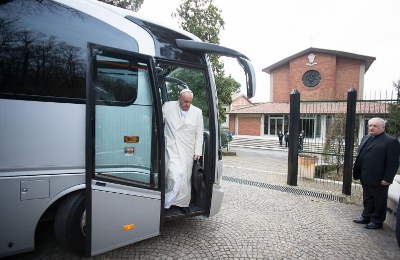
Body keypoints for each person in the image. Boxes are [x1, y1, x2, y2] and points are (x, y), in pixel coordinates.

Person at [352, 117, 400, 229]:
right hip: (365, 175)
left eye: (375, 126)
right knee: (367, 197)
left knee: (379, 200)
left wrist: (388, 178)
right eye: (370, 125)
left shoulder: (390, 141)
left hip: (379, 178)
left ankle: (377, 221)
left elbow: (393, 163)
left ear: (383, 127)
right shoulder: (366, 138)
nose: (372, 128)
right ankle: (366, 216)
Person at [163, 88, 204, 213]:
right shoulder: (168, 107)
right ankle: (167, 202)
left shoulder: (197, 112)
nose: (187, 105)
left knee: (186, 178)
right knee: (174, 174)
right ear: (179, 98)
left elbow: (199, 133)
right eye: (185, 101)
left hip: (187, 150)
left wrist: (198, 151)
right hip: (172, 147)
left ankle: (183, 203)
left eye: (190, 102)